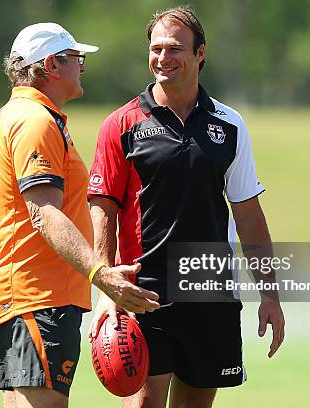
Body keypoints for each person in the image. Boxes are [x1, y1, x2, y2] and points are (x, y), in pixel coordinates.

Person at [87, 6, 285, 407]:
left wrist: (270, 296)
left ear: (200, 54)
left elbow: (249, 216)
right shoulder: (121, 124)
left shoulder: (230, 125)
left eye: (175, 48)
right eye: (156, 48)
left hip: (209, 291)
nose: (163, 57)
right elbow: (103, 206)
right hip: (144, 292)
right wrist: (106, 289)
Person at [0, 23, 159, 408]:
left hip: (26, 294)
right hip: (37, 294)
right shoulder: (35, 121)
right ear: (51, 65)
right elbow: (44, 213)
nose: (83, 67)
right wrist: (100, 274)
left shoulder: (18, 115)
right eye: (77, 58)